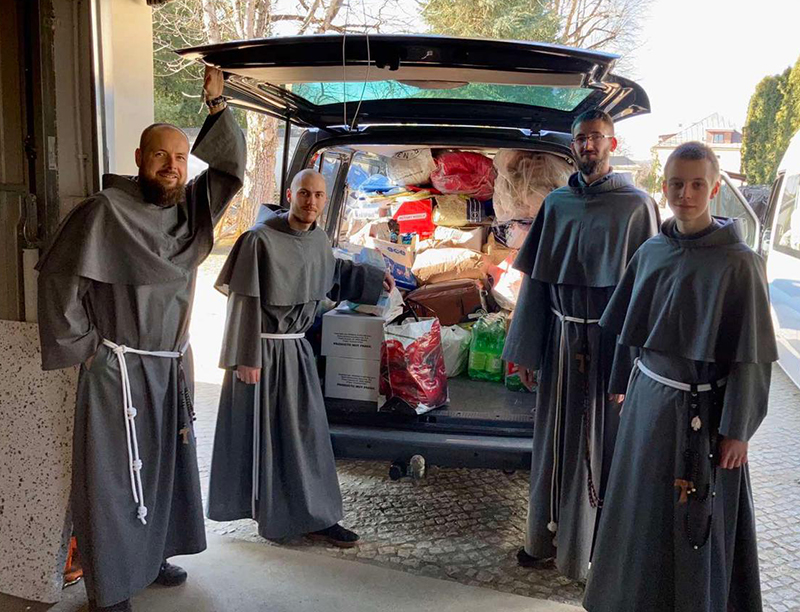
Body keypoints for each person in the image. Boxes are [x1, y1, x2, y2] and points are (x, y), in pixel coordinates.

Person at [36, 67, 246, 612]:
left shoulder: (191, 213)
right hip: (118, 368)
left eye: (180, 157)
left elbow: (229, 171)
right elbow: (59, 280)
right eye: (160, 155)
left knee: (162, 467)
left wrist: (218, 107)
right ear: (138, 158)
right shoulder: (104, 211)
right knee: (110, 477)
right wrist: (87, 348)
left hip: (170, 363)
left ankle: (151, 559)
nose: (171, 165)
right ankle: (109, 586)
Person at [583, 142, 777, 612]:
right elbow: (629, 328)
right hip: (648, 405)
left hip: (703, 413)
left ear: (714, 188)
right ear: (664, 186)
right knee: (639, 510)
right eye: (675, 184)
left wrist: (738, 430)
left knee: (697, 519)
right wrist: (621, 384)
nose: (685, 194)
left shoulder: (741, 263)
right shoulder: (651, 251)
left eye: (696, 184)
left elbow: (752, 357)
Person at [502, 109, 659, 580]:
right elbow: (535, 284)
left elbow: (646, 297)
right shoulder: (556, 204)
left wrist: (633, 366)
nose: (588, 145)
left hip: (611, 348)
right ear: (573, 147)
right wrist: (525, 350)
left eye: (596, 137)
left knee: (603, 447)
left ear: (612, 143)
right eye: (580, 139)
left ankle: (595, 551)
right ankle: (543, 540)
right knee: (552, 443)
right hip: (560, 341)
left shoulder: (637, 207)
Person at [207, 169, 394, 547]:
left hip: (295, 351)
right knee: (266, 440)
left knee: (308, 437)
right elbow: (243, 300)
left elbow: (331, 271)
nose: (312, 202)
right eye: (305, 194)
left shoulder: (318, 239)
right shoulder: (258, 240)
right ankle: (277, 519)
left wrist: (374, 278)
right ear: (290, 195)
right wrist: (245, 357)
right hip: (260, 354)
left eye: (319, 195)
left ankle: (318, 516)